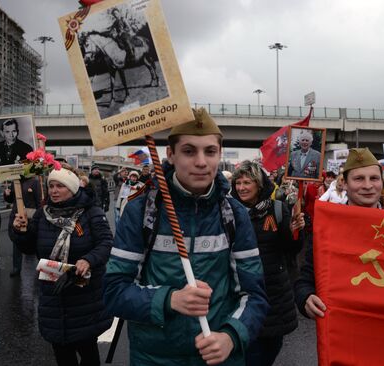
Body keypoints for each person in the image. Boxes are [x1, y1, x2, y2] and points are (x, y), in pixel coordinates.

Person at [103, 108, 269, 365]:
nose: (201, 162)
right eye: (189, 151)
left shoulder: (234, 213)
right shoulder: (141, 211)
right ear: (170, 154)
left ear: (219, 154)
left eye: (210, 151)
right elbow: (114, 292)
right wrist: (170, 299)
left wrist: (231, 336)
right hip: (154, 359)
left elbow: (255, 296)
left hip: (219, 358)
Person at [10, 168, 113, 366]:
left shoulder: (91, 212)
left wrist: (88, 260)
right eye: (51, 186)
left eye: (60, 186)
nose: (54, 191)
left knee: (88, 352)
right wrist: (20, 231)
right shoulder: (43, 214)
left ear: (73, 189)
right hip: (53, 294)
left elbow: (106, 243)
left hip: (84, 295)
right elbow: (29, 248)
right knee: (62, 354)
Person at [295, 148, 383, 320]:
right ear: (345, 184)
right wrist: (306, 298)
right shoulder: (327, 227)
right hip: (344, 325)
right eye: (358, 179)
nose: (367, 185)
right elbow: (305, 279)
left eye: (374, 178)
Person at [231, 161, 304, 366]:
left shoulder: (277, 209)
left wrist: (296, 232)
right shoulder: (229, 212)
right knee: (250, 353)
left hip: (275, 294)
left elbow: (291, 249)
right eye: (238, 182)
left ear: (259, 185)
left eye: (247, 182)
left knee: (271, 348)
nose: (242, 187)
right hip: (242, 293)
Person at [4, 176, 42, 277]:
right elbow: (10, 199)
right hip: (16, 216)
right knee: (16, 240)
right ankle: (16, 267)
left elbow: (38, 201)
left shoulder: (35, 181)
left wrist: (39, 217)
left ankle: (41, 266)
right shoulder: (14, 180)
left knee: (35, 241)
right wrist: (7, 194)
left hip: (30, 217)